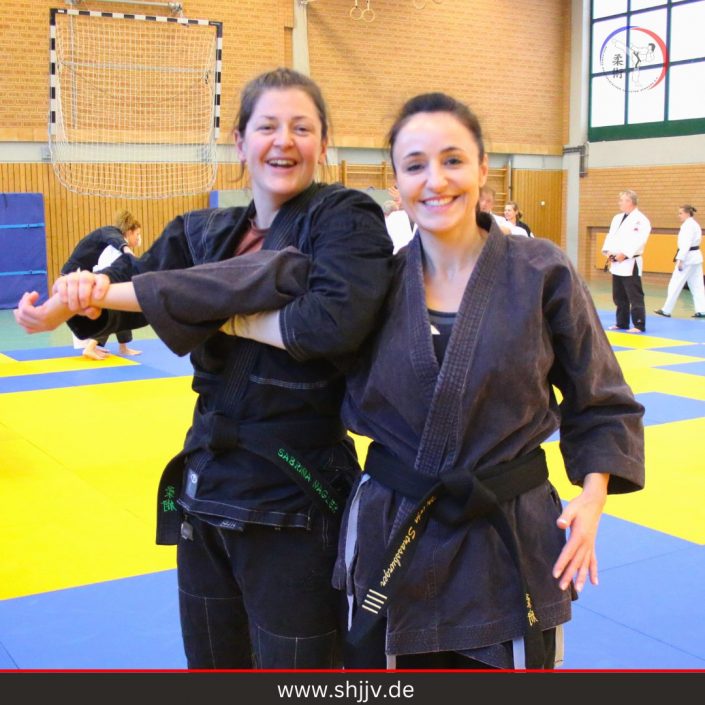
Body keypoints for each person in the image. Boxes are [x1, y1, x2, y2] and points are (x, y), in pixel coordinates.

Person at [14, 67, 394, 669]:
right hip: (206, 486)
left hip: (296, 492)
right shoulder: (204, 232)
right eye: (267, 126)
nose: (284, 140)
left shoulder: (343, 217)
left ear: (324, 143)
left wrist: (206, 310)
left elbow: (329, 324)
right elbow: (128, 289)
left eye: (302, 128)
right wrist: (72, 297)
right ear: (239, 142)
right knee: (213, 668)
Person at [329, 94, 644, 669]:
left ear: (482, 168)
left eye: (453, 160)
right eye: (415, 165)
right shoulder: (373, 284)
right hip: (393, 533)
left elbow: (600, 399)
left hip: (507, 537)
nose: (435, 180)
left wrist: (594, 496)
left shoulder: (542, 271)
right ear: (396, 182)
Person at [60, 210, 143, 359]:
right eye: (137, 234)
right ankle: (91, 347)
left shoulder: (114, 246)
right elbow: (109, 264)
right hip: (74, 276)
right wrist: (128, 252)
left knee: (121, 305)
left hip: (84, 276)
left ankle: (122, 346)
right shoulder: (112, 235)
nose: (138, 238)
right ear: (129, 232)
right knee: (111, 308)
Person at [601, 189, 651, 333]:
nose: (620, 203)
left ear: (630, 201)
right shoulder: (617, 218)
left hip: (630, 262)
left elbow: (639, 241)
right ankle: (622, 322)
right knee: (619, 295)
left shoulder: (641, 220)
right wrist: (608, 251)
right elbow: (611, 236)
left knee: (634, 295)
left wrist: (624, 254)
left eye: (622, 200)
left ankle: (639, 324)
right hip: (616, 261)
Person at [654, 205, 705, 319]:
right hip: (695, 258)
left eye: (681, 213)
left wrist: (680, 259)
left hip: (687, 258)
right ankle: (702, 310)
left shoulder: (688, 226)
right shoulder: (694, 224)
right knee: (697, 285)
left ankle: (666, 310)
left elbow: (686, 244)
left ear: (687, 213)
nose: (679, 215)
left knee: (675, 284)